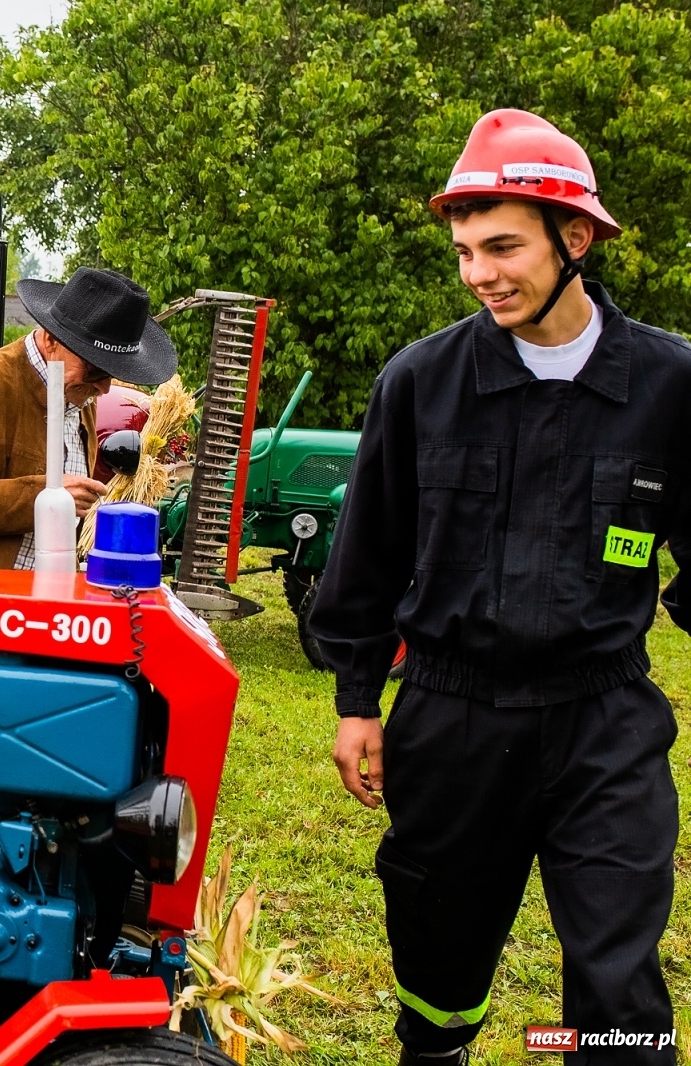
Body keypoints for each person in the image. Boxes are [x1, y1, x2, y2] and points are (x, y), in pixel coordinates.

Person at [310, 109, 686, 1064]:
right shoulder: (421, 383)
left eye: (503, 246)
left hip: (605, 726)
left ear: (575, 237)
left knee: (617, 990)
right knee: (440, 971)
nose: (481, 273)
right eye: (466, 250)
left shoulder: (669, 383)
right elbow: (366, 558)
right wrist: (359, 701)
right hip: (452, 719)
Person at [0, 267, 176, 568]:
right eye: (96, 369)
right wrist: (44, 496)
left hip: (40, 604)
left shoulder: (80, 395)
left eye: (112, 373)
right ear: (50, 340)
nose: (104, 387)